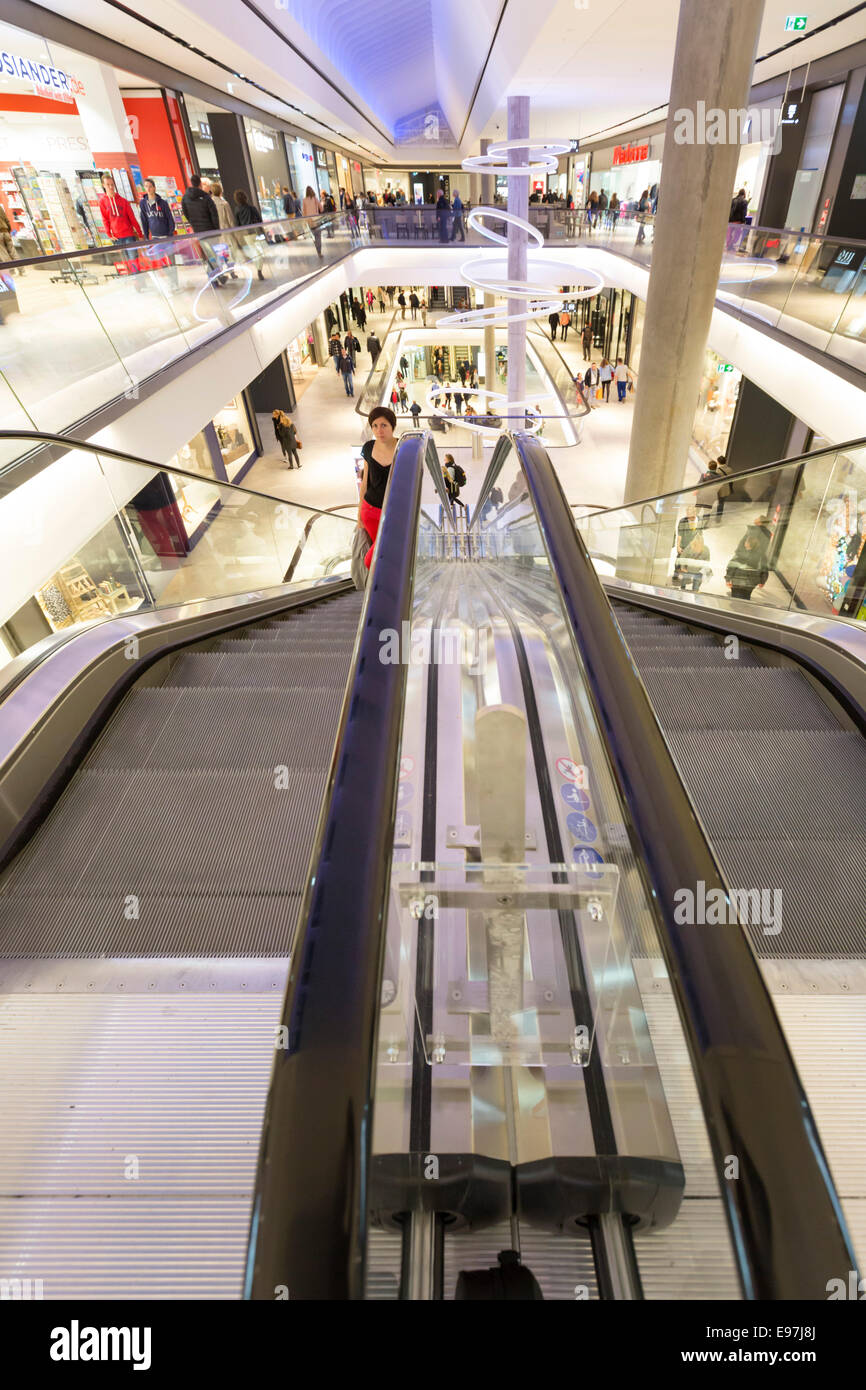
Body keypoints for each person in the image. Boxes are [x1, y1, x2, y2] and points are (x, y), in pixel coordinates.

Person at [358, 406, 399, 570]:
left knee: (371, 560)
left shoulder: (403, 447)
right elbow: (365, 483)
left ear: (392, 426)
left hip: (393, 514)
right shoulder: (368, 447)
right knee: (382, 552)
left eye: (384, 425)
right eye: (374, 426)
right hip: (370, 512)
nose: (379, 430)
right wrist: (359, 514)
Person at [726, 524, 770, 600]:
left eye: (746, 541)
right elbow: (765, 570)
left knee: (734, 598)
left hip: (737, 580)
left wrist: (728, 579)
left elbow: (731, 567)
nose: (744, 543)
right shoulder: (762, 556)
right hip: (751, 583)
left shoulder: (740, 554)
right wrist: (762, 581)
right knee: (746, 596)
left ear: (748, 544)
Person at [234, 188, 265, 278]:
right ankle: (259, 269)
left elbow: (237, 224)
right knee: (259, 251)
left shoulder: (237, 210)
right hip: (255, 232)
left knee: (254, 251)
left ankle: (258, 268)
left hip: (246, 235)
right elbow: (260, 220)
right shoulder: (252, 208)